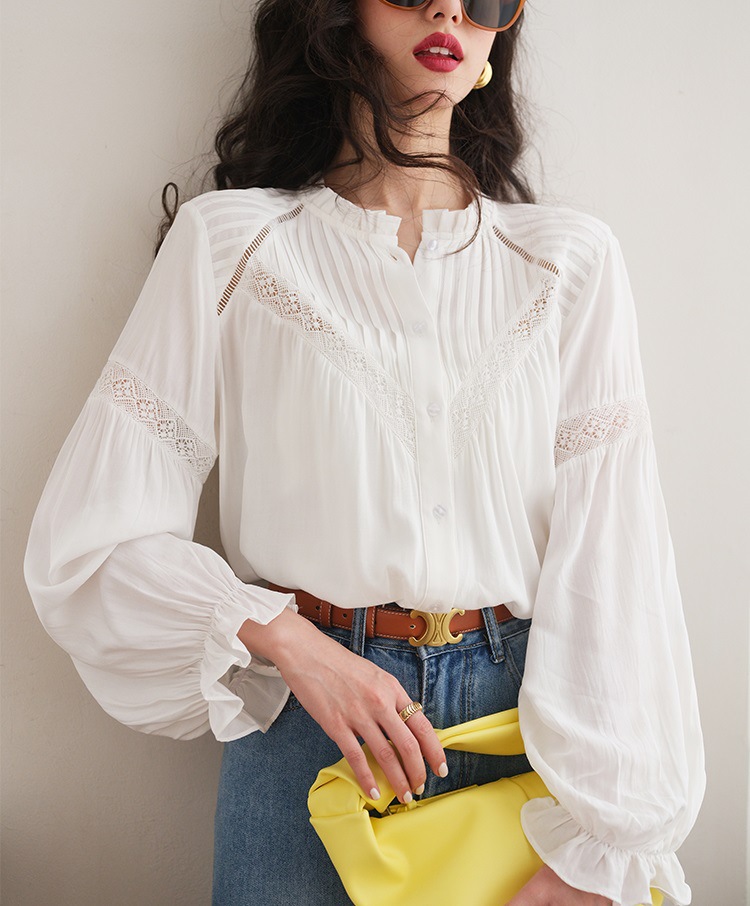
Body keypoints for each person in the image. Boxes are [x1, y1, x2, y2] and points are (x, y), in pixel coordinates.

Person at [23, 0, 706, 903]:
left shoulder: (570, 262)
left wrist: (603, 848)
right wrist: (292, 643)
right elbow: (92, 543)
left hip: (525, 734)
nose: (450, 8)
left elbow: (617, 561)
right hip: (307, 728)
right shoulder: (231, 244)